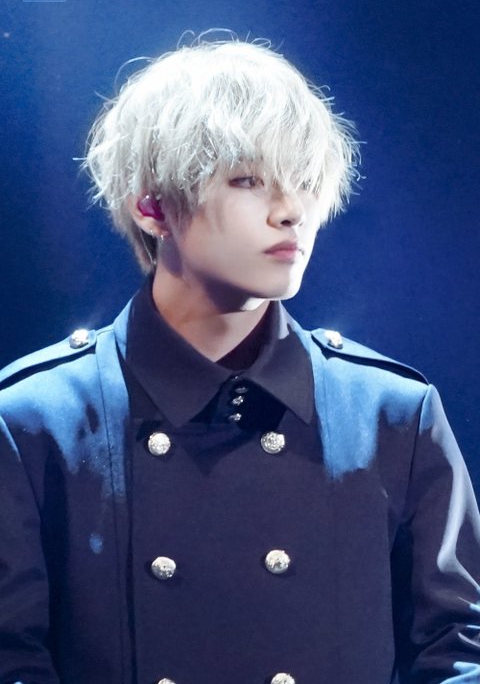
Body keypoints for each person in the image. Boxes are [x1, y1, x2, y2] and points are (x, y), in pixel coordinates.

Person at [0, 37, 479, 684]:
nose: (292, 211)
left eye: (304, 182)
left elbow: (460, 652)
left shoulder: (392, 415)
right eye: (249, 180)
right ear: (152, 206)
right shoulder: (32, 421)